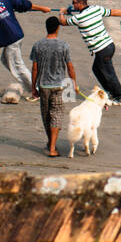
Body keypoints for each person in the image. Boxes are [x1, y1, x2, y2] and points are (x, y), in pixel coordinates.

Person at [61, 0, 121, 106]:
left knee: (109, 74)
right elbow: (113, 12)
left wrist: (61, 12)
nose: (72, 5)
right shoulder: (96, 9)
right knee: (97, 69)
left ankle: (120, 97)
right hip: (108, 46)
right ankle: (111, 92)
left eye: (74, 3)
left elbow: (63, 22)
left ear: (79, 3)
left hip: (102, 49)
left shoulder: (79, 18)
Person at [31, 16, 77, 156]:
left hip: (44, 85)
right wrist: (73, 83)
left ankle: (51, 144)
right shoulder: (64, 45)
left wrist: (33, 86)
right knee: (56, 114)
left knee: (46, 116)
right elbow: (70, 67)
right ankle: (52, 147)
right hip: (60, 85)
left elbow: (34, 68)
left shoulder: (38, 45)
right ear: (58, 28)